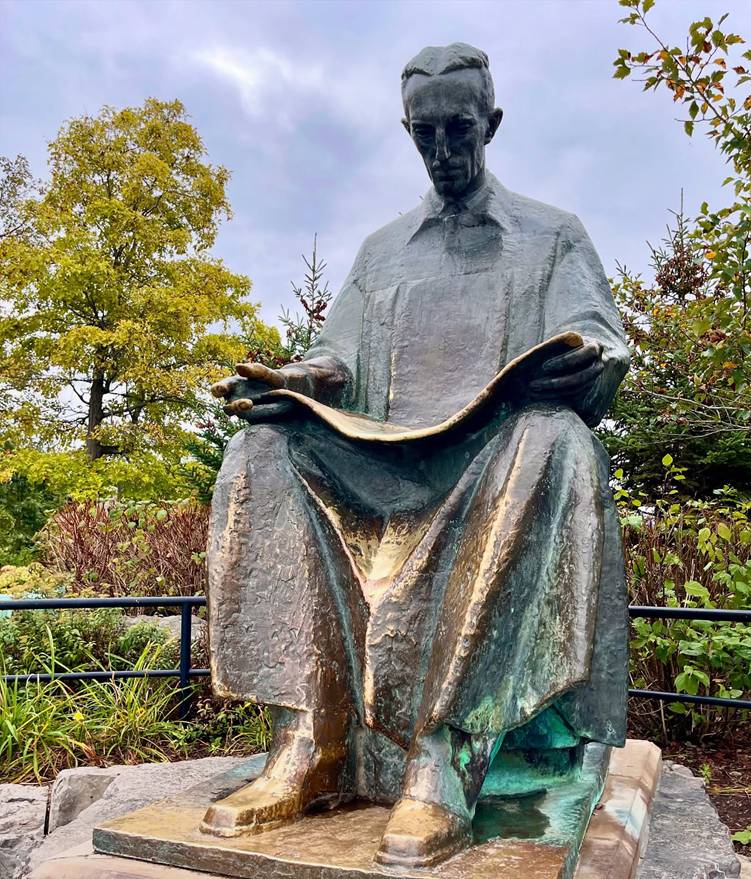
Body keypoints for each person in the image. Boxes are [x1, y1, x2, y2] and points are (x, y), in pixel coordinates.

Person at [203, 42, 630, 869]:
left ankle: (445, 754)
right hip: (385, 469)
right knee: (260, 448)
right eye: (423, 133)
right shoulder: (382, 250)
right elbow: (340, 360)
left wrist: (600, 360)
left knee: (555, 439)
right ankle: (311, 734)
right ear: (407, 130)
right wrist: (295, 379)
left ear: (492, 124)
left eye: (458, 130)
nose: (442, 151)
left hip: (494, 466)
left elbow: (603, 339)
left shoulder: (552, 237)